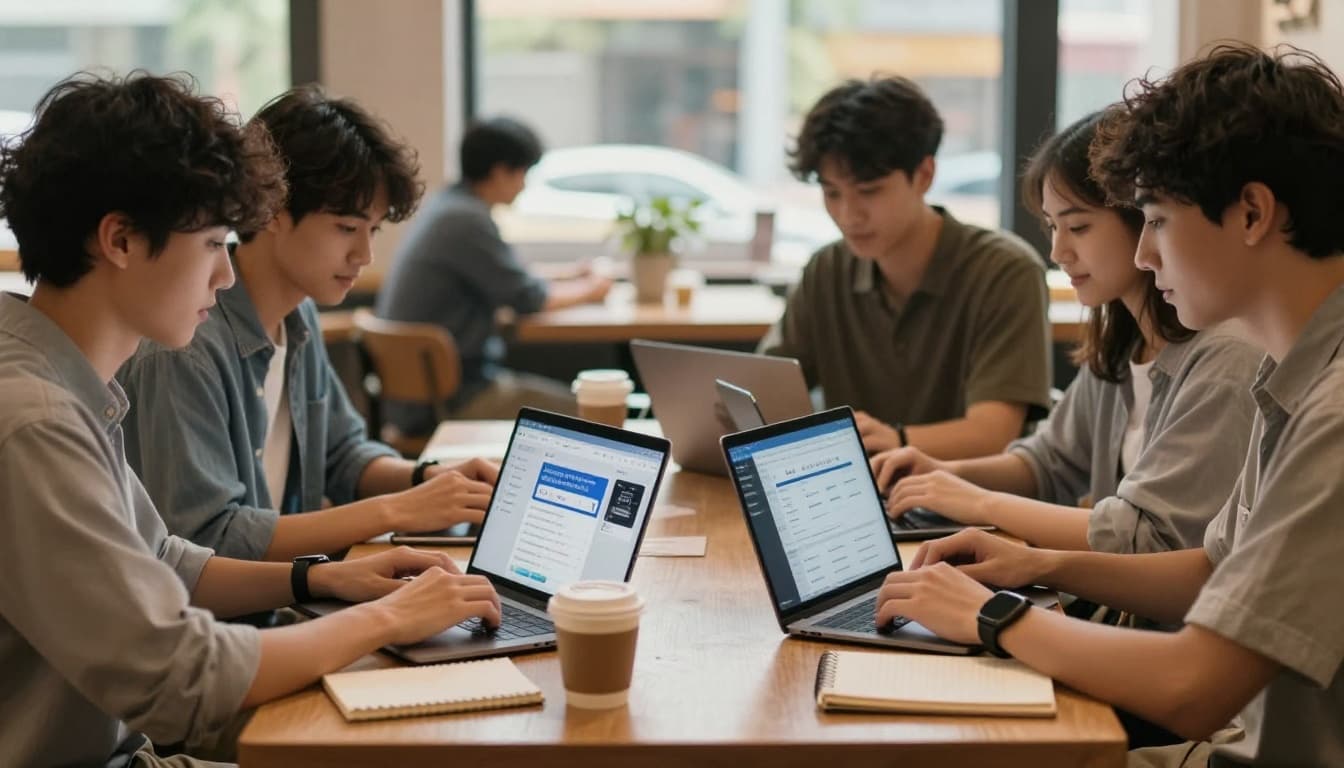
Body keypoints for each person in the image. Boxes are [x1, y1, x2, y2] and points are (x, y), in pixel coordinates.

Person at [0, 71, 500, 768]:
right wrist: (389, 616)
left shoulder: (66, 384)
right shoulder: (35, 418)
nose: (226, 275)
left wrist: (320, 579)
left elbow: (168, 558)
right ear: (119, 240)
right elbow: (182, 678)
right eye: (211, 244)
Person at [874, 44, 1344, 766]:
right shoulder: (1292, 375)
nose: (1148, 257)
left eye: (1155, 219)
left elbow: (1197, 686)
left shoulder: (1330, 407)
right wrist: (1034, 564)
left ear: (1251, 212)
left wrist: (992, 616)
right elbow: (1212, 568)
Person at [118, 85, 499, 562]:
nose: (364, 255)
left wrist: (431, 479)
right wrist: (395, 511)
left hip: (282, 604)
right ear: (274, 208)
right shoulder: (187, 347)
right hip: (230, 628)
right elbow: (207, 542)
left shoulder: (298, 318)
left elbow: (341, 456)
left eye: (372, 230)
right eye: (346, 228)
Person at [869, 112, 1261, 554]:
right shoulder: (1123, 343)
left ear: (1144, 220)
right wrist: (944, 474)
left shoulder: (1225, 358)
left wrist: (981, 503)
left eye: (1078, 227)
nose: (1057, 251)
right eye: (1053, 227)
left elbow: (1150, 538)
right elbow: (1050, 462)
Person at [759, 76, 1052, 459]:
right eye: (832, 193)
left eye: (869, 192)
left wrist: (895, 441)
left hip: (969, 505)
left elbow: (993, 433)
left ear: (924, 175)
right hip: (847, 498)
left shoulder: (1004, 271)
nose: (848, 215)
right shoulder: (827, 269)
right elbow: (764, 393)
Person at [375, 116, 612, 430]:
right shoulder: (466, 221)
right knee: (596, 412)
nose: (524, 184)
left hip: (418, 400)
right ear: (500, 171)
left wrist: (569, 276)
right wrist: (594, 289)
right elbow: (529, 298)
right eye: (522, 173)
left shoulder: (448, 206)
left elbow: (509, 276)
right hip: (452, 402)